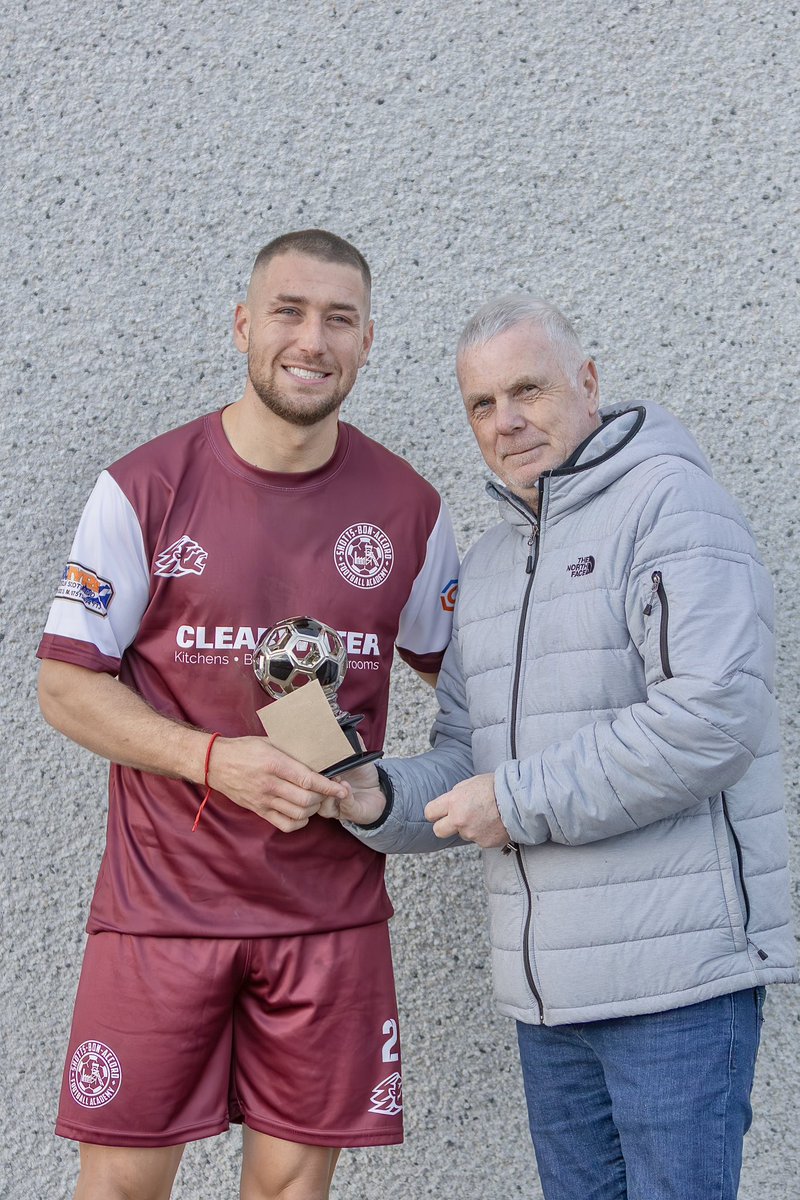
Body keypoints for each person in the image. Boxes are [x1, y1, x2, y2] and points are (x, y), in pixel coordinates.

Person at [332, 296, 797, 1200]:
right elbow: (469, 758)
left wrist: (510, 800)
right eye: (480, 404)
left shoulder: (672, 504)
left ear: (587, 383)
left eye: (527, 390)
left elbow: (712, 719)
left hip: (677, 987)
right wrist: (375, 800)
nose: (505, 421)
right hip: (550, 1003)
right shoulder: (499, 561)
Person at [37, 229, 460, 1200]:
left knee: (284, 1194)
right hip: (162, 915)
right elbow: (65, 685)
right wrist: (211, 760)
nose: (311, 340)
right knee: (120, 1190)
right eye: (288, 311)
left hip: (326, 921)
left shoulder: (407, 510)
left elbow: (477, 695)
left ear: (366, 343)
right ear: (241, 325)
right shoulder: (143, 488)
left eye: (339, 319)